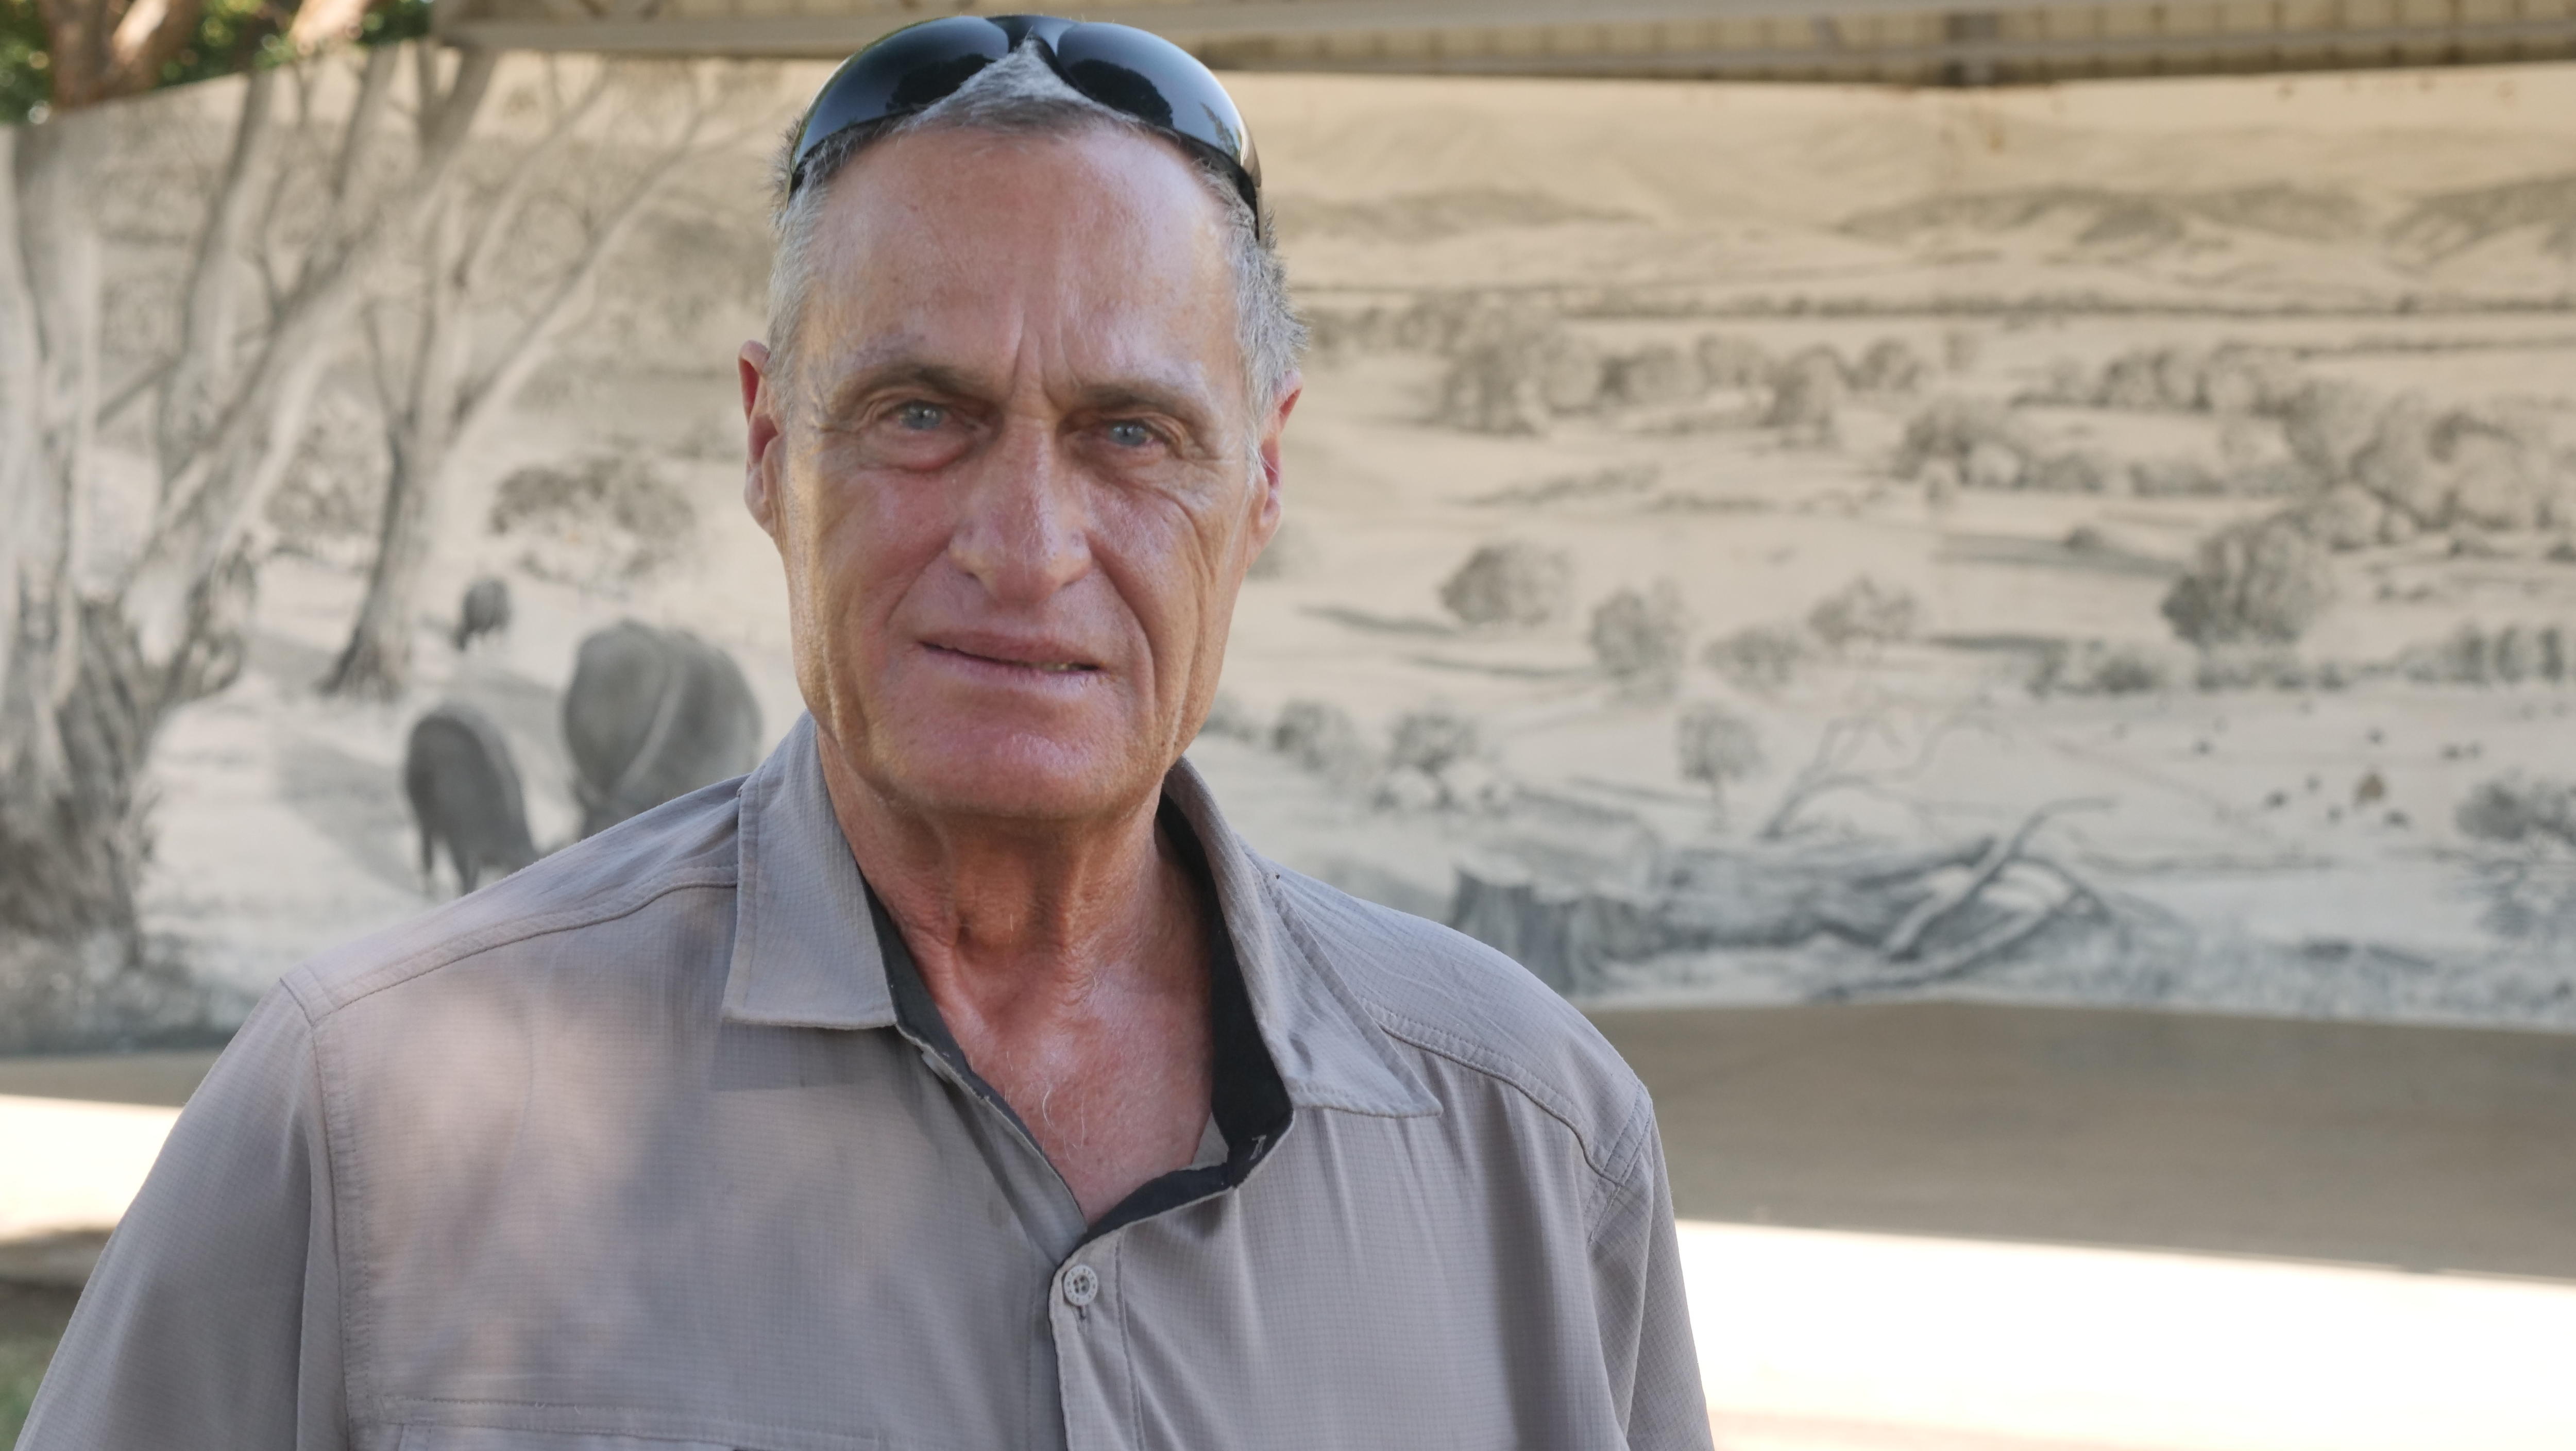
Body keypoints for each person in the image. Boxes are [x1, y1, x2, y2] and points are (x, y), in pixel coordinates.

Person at [22, 17, 1710, 1448]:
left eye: (1131, 431)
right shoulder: (359, 1121)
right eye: (921, 415)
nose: (1026, 544)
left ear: (1259, 474)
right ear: (769, 447)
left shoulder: (1534, 1144)